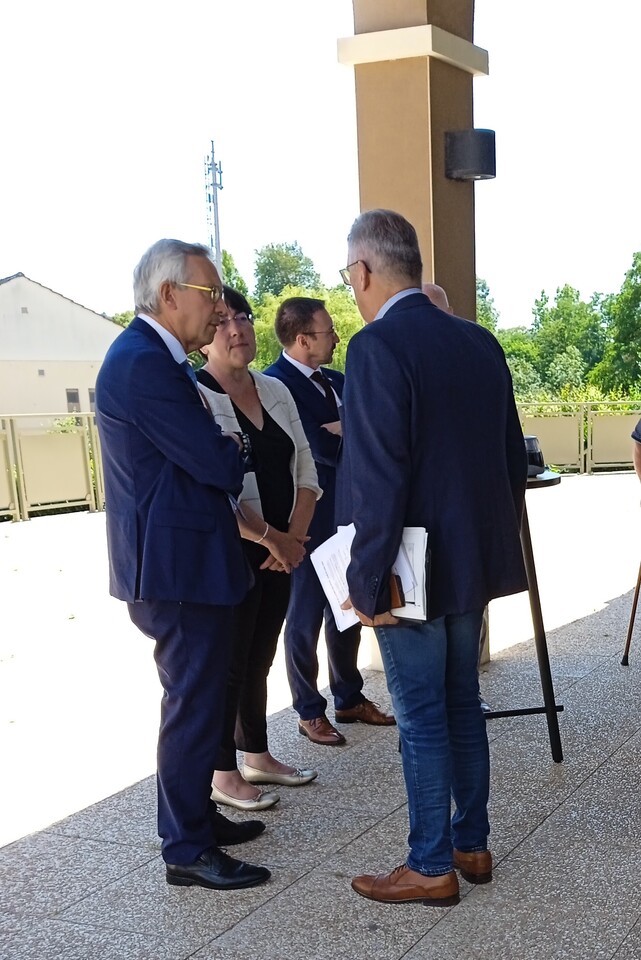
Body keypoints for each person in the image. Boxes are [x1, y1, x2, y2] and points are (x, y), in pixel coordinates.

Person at [338, 210, 528, 906]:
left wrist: (365, 583)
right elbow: (512, 459)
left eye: (348, 277)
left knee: (420, 716)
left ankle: (428, 864)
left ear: (362, 272)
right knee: (461, 705)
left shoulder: (376, 347)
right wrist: (487, 545)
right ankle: (469, 845)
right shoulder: (479, 344)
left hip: (408, 571)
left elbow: (378, 475)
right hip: (467, 560)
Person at [95, 240, 270, 892]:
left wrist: (223, 446)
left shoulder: (155, 360)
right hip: (176, 568)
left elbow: (212, 455)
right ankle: (187, 849)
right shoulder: (144, 364)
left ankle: (195, 820)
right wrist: (229, 445)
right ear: (169, 295)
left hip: (188, 560)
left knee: (200, 699)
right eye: (210, 294)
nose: (220, 307)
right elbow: (219, 462)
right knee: (193, 705)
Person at [196, 286, 322, 807]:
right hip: (234, 551)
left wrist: (290, 541)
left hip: (284, 548)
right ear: (204, 335)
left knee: (260, 656)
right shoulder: (197, 395)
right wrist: (272, 539)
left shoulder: (276, 390)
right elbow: (216, 490)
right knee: (229, 660)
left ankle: (257, 754)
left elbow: (308, 473)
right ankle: (221, 770)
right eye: (221, 319)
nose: (235, 328)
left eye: (242, 316)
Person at [263, 297, 395, 746]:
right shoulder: (273, 385)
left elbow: (371, 435)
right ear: (302, 339)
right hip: (305, 522)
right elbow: (322, 450)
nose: (337, 337)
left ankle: (349, 697)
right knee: (302, 621)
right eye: (327, 331)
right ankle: (308, 710)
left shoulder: (339, 380)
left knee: (347, 613)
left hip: (350, 519)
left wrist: (346, 428)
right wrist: (348, 432)